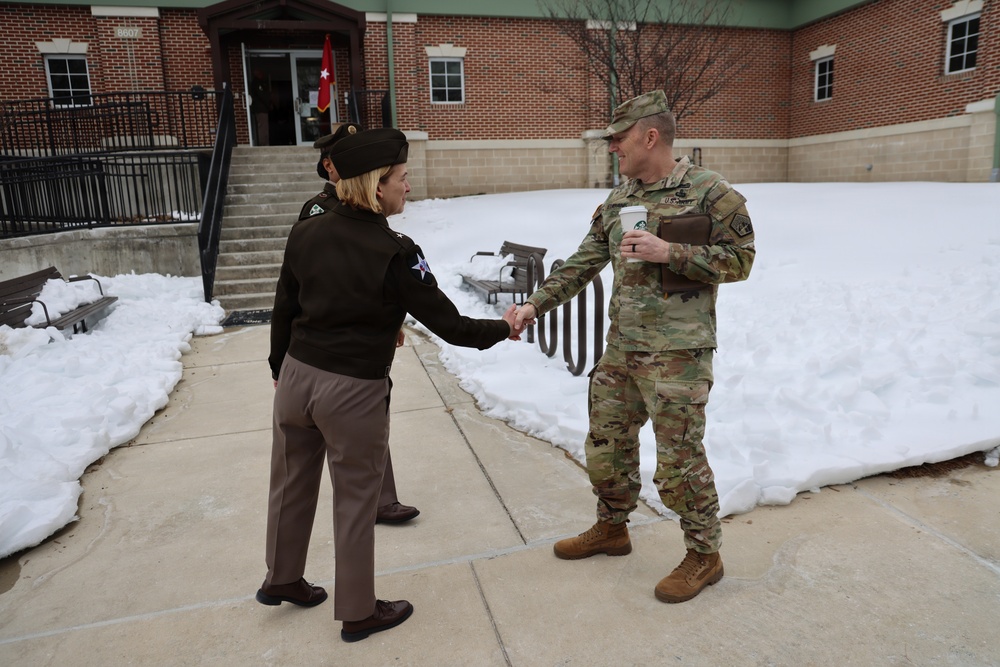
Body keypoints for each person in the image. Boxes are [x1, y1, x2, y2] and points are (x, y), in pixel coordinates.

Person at [259, 128, 524, 642]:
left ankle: (282, 578)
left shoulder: (306, 229)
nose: (409, 185)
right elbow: (453, 327)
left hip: (297, 376)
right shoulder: (396, 250)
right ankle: (358, 611)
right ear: (377, 185)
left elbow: (286, 307)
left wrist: (278, 369)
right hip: (351, 388)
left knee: (289, 484)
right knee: (357, 500)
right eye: (403, 178)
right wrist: (505, 326)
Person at [513, 90, 755, 603]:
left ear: (650, 136)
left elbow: (742, 259)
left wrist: (674, 252)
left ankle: (704, 554)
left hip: (678, 355)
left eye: (618, 139)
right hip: (620, 351)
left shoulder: (711, 193)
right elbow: (582, 263)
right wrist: (535, 305)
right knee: (606, 449)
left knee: (679, 461)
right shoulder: (619, 200)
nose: (612, 149)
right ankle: (612, 527)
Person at [298, 122, 420, 526]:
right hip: (335, 355)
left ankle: (383, 499)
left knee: (373, 422)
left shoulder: (372, 207)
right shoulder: (318, 210)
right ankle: (369, 499)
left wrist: (392, 319)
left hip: (368, 344)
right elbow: (309, 285)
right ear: (329, 165)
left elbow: (382, 278)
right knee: (348, 433)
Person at [248, 69, 271, 146]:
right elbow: (262, 95)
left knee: (263, 127)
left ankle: (264, 143)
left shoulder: (257, 83)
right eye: (261, 73)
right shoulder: (257, 83)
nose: (262, 75)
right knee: (263, 128)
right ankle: (263, 144)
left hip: (260, 108)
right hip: (261, 109)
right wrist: (268, 104)